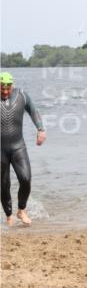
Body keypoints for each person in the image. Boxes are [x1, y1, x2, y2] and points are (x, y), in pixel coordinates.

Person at [0, 72, 46, 226]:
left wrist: (41, 129)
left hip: (18, 146)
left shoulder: (22, 95)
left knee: (26, 179)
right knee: (4, 184)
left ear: (12, 85)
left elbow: (33, 111)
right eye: (2, 88)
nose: (5, 92)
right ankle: (8, 216)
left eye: (7, 88)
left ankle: (21, 210)